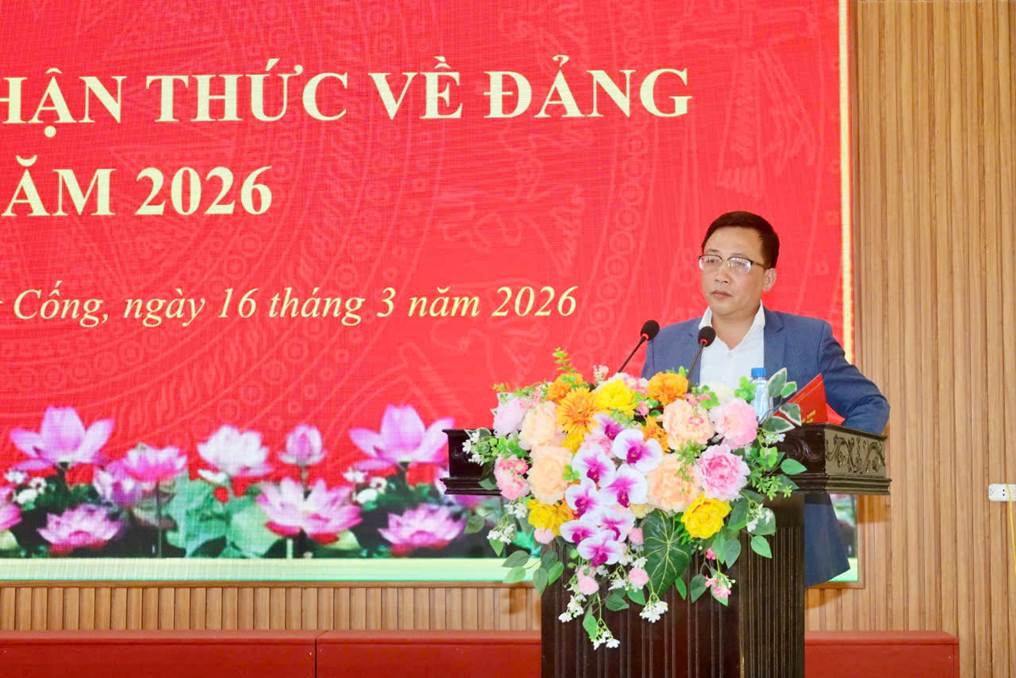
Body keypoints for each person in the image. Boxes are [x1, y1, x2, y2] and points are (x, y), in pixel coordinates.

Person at [641, 210, 889, 586]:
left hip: (781, 531)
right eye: (712, 259)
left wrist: (820, 460)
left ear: (768, 277)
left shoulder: (807, 339)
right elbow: (645, 428)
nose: (721, 274)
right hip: (686, 534)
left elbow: (869, 405)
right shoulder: (667, 344)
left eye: (738, 263)